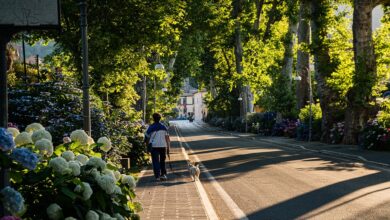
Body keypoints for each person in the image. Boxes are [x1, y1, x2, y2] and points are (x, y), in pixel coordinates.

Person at [145, 113, 171, 181]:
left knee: (155, 161)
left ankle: (157, 176)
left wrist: (147, 146)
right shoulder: (164, 127)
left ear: (153, 119)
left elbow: (147, 137)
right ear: (160, 118)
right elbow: (167, 138)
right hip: (163, 146)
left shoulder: (151, 127)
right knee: (162, 161)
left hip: (154, 146)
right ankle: (163, 175)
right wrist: (168, 148)